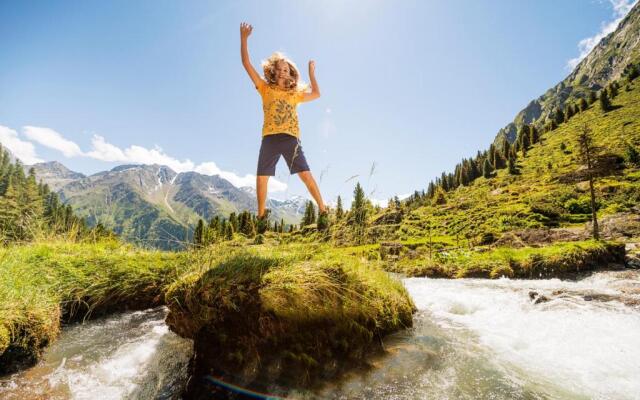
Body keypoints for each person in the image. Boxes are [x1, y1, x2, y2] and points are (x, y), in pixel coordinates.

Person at [240, 22, 328, 233]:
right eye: (278, 69)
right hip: (269, 138)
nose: (281, 72)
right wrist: (244, 38)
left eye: (285, 69)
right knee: (261, 177)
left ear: (291, 73)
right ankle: (261, 220)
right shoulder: (264, 87)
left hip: (291, 139)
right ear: (273, 71)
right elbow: (246, 63)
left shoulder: (294, 94)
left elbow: (316, 94)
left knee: (306, 175)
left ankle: (324, 211)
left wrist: (312, 73)